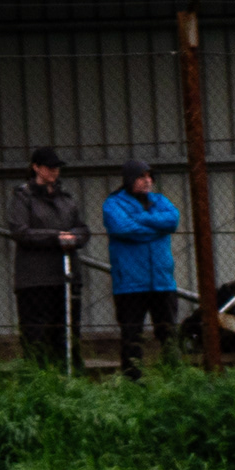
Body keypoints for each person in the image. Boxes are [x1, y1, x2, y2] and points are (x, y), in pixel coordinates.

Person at [99, 160, 183, 377]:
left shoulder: (159, 200)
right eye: (141, 177)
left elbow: (172, 221)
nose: (147, 181)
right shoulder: (113, 204)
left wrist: (141, 219)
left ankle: (175, 376)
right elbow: (125, 229)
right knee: (132, 335)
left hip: (162, 282)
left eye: (149, 177)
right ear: (129, 179)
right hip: (130, 283)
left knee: (168, 333)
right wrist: (157, 229)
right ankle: (133, 379)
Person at [7, 148, 81, 368]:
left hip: (65, 276)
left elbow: (82, 228)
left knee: (66, 331)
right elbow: (21, 232)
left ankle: (68, 372)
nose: (54, 171)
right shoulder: (23, 197)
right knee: (36, 334)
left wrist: (74, 237)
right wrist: (57, 237)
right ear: (36, 168)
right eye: (49, 167)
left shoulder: (66, 199)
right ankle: (38, 375)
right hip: (35, 279)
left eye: (56, 167)